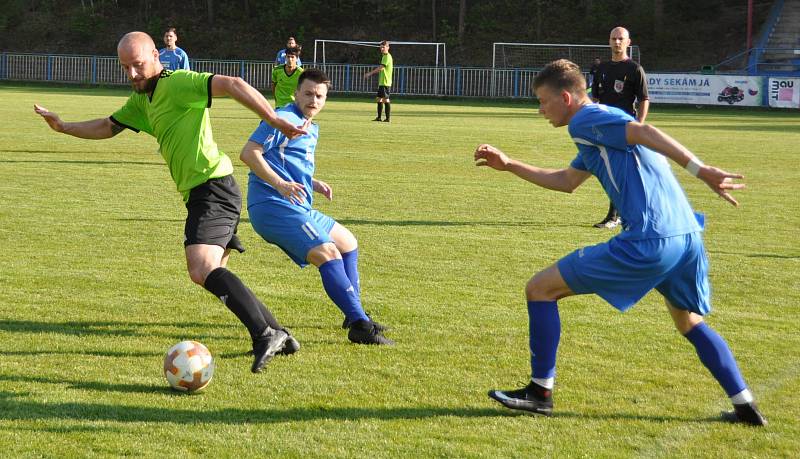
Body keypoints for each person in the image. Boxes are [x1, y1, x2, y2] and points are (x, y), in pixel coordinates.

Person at [476, 59, 766, 426]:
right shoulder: (596, 127)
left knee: (540, 289)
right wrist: (510, 164)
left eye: (543, 101)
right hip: (686, 237)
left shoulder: (585, 119)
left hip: (649, 240)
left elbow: (645, 131)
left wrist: (701, 169)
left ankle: (539, 393)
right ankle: (745, 405)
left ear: (565, 98)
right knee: (689, 322)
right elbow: (567, 181)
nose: (540, 110)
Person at [33, 31, 309, 374]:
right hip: (199, 194)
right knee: (210, 270)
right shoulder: (141, 102)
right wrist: (63, 127)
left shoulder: (177, 82)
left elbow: (234, 83)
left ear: (155, 56)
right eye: (125, 68)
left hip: (214, 188)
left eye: (138, 65)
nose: (132, 74)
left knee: (202, 269)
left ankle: (265, 334)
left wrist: (273, 119)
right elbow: (107, 125)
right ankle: (279, 333)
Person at [239, 68, 394, 345]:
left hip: (296, 204)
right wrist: (279, 184)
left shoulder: (308, 124)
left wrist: (311, 182)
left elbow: (284, 161)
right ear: (296, 93)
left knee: (348, 242)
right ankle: (360, 325)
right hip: (273, 205)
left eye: (320, 95)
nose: (314, 100)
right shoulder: (285, 118)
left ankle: (352, 311)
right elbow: (249, 153)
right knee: (328, 253)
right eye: (308, 93)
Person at [591, 27, 650, 229]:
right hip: (604, 128)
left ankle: (614, 216)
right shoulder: (601, 69)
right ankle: (619, 215)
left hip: (625, 128)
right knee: (610, 172)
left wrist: (639, 125)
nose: (617, 42)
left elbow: (644, 99)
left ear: (628, 42)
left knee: (621, 172)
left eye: (621, 39)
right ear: (609, 41)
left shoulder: (634, 69)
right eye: (614, 38)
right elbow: (596, 98)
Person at [363, 40, 393, 122]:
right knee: (379, 99)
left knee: (385, 99)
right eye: (381, 47)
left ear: (388, 47)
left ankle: (388, 118)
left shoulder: (387, 56)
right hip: (382, 82)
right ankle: (379, 118)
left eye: (383, 47)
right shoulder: (384, 56)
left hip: (385, 82)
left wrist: (370, 73)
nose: (382, 49)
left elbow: (381, 68)